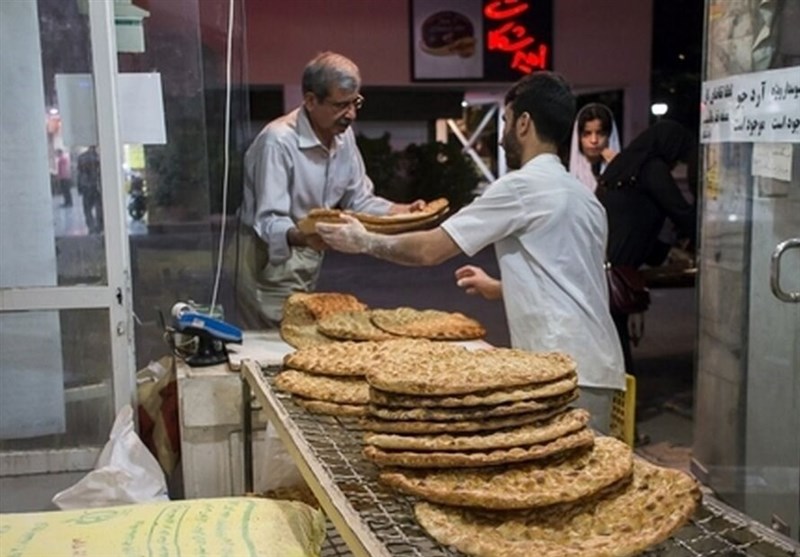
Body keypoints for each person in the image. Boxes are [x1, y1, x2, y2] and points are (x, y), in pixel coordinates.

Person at [317, 72, 625, 434]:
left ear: (524, 123)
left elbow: (430, 249)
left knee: (553, 467)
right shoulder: (584, 197)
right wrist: (501, 287)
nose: (502, 135)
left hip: (560, 368)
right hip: (599, 367)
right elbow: (573, 277)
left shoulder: (522, 187)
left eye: (506, 121)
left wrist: (365, 240)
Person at [237, 51, 425, 328]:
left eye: (355, 102)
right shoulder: (278, 142)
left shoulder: (343, 136)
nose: (351, 114)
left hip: (309, 248)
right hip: (269, 255)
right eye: (341, 105)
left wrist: (403, 211)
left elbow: (358, 199)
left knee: (300, 333)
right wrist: (306, 237)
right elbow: (268, 220)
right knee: (276, 340)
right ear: (311, 100)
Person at [596, 119, 698, 374]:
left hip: (599, 262)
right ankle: (621, 392)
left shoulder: (621, 166)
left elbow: (632, 221)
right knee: (617, 345)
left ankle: (616, 390)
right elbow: (681, 213)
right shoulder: (652, 169)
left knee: (610, 339)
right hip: (616, 268)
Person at [568, 103, 621, 192]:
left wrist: (618, 168)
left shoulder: (624, 173)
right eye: (587, 134)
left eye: (600, 133)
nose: (594, 140)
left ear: (609, 136)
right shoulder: (565, 174)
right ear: (578, 137)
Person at [77, 146, 102, 233]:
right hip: (97, 186)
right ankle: (99, 226)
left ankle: (91, 226)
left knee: (87, 208)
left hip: (86, 186)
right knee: (99, 207)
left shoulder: (82, 157)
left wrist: (79, 187)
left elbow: (79, 174)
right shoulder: (99, 157)